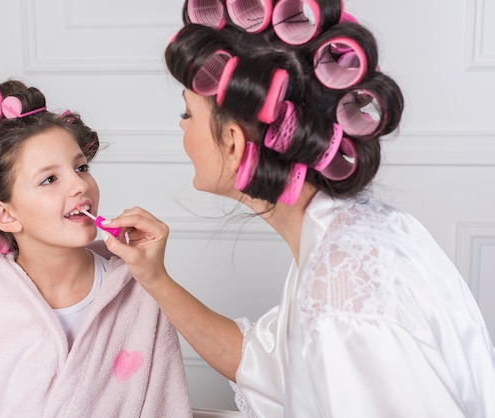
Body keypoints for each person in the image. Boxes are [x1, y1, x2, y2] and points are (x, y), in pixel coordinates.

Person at [100, 1, 495, 417]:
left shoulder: (344, 291)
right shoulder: (344, 236)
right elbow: (264, 368)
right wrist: (155, 277)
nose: (182, 126)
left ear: (233, 143)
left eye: (188, 112)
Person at [0, 80, 192, 417]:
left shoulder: (139, 292)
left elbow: (165, 405)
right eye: (49, 179)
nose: (80, 185)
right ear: (5, 215)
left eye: (81, 168)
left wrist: (156, 279)